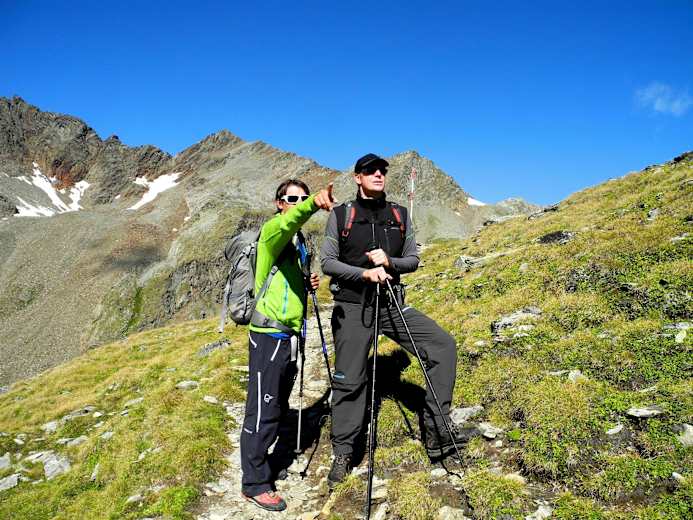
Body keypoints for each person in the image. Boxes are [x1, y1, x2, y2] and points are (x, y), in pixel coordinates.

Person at [321, 153, 468, 487]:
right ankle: (344, 452)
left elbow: (413, 260)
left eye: (382, 170)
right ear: (357, 177)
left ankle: (437, 429)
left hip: (391, 305)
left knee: (443, 346)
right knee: (349, 380)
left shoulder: (400, 215)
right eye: (370, 170)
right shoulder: (342, 214)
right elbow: (328, 262)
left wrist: (390, 262)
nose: (378, 174)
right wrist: (363, 273)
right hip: (352, 306)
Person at [241, 179, 334, 511]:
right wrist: (313, 204)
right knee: (262, 409)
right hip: (269, 336)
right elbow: (289, 221)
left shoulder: (297, 242)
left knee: (277, 405)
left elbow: (285, 282)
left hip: (289, 334)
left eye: (303, 197)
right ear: (279, 203)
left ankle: (265, 463)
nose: (297, 202)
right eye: (292, 198)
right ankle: (254, 483)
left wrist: (306, 281)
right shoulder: (273, 232)